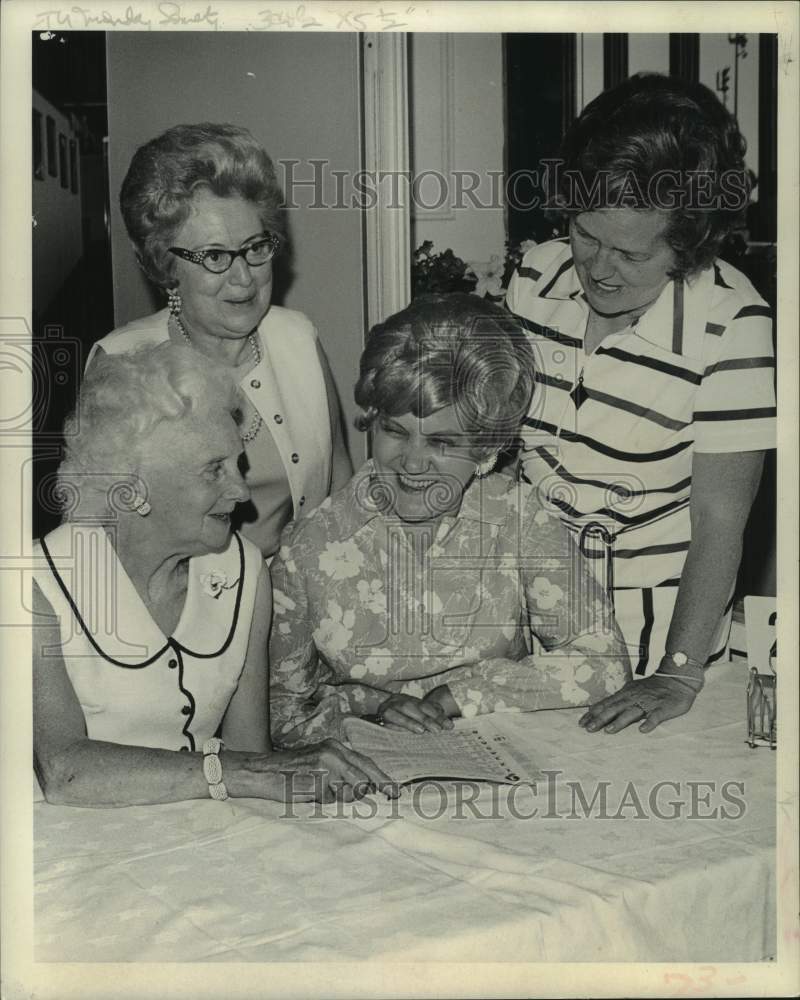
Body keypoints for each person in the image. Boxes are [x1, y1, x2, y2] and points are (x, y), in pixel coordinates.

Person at [505, 73, 776, 735]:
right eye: (586, 235)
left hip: (648, 646)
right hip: (522, 629)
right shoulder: (538, 277)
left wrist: (679, 670)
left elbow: (719, 521)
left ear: (688, 245)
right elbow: (503, 461)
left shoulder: (732, 325)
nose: (598, 268)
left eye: (631, 252)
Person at [33, 344, 393, 806]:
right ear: (136, 489)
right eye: (213, 471)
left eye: (237, 463)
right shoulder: (36, 585)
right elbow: (63, 771)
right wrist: (244, 771)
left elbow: (251, 756)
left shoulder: (242, 570)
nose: (241, 491)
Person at [269, 295, 630, 746]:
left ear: (485, 447)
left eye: (442, 442)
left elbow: (604, 662)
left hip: (501, 757)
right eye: (395, 431)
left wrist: (455, 697)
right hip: (366, 773)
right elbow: (280, 713)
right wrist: (371, 711)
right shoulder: (309, 545)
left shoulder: (519, 518)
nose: (413, 464)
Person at [88, 123, 352, 558]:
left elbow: (338, 483)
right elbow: (99, 529)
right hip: (186, 611)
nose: (244, 277)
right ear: (163, 265)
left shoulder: (299, 338)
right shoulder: (120, 362)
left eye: (255, 247)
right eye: (214, 256)